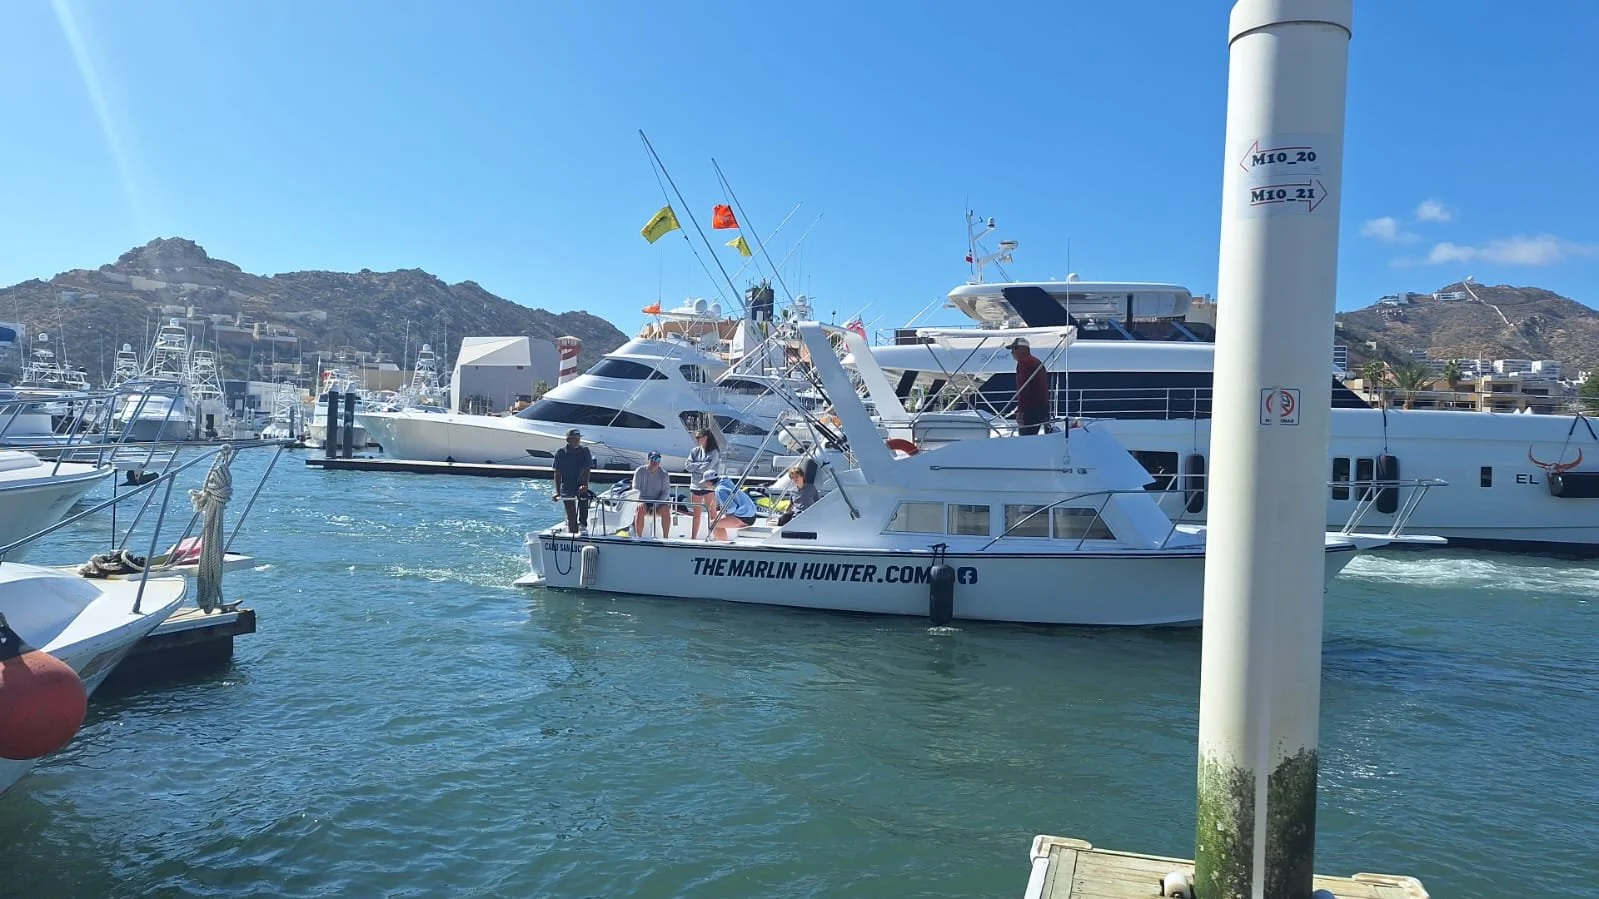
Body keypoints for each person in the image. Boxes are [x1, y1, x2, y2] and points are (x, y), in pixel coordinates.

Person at [551, 428, 594, 535]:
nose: (577, 440)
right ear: (568, 440)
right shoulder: (560, 453)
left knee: (583, 498)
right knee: (571, 513)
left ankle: (583, 525)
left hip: (580, 483)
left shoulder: (585, 451)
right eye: (574, 438)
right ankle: (573, 531)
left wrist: (585, 485)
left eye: (578, 438)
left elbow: (587, 470)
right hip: (567, 485)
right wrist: (557, 492)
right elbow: (557, 472)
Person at [1008, 337, 1050, 436]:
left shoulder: (1023, 364)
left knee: (1025, 439)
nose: (1012, 352)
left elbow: (1023, 389)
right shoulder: (1037, 362)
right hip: (1042, 407)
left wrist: (1021, 412)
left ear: (1023, 350)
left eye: (1014, 349)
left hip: (1030, 410)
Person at [685, 428, 721, 540]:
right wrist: (699, 465)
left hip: (709, 486)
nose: (696, 440)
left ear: (705, 438)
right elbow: (687, 466)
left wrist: (695, 466)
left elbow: (707, 468)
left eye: (698, 437)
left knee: (713, 513)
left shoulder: (714, 452)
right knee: (696, 514)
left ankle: (715, 537)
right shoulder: (694, 451)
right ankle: (693, 538)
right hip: (695, 486)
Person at [704, 471, 758, 541]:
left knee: (713, 524)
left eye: (705, 482)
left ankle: (722, 545)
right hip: (750, 515)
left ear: (708, 482)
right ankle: (719, 539)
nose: (704, 484)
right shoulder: (726, 483)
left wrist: (724, 513)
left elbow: (731, 507)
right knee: (717, 518)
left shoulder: (719, 490)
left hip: (744, 518)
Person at [631, 451, 672, 538]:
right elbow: (635, 489)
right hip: (643, 501)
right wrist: (640, 501)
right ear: (648, 459)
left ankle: (666, 537)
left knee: (666, 510)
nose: (655, 461)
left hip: (658, 502)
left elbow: (666, 493)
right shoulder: (639, 471)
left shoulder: (664, 474)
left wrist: (656, 504)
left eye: (658, 459)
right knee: (640, 509)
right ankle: (639, 538)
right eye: (653, 459)